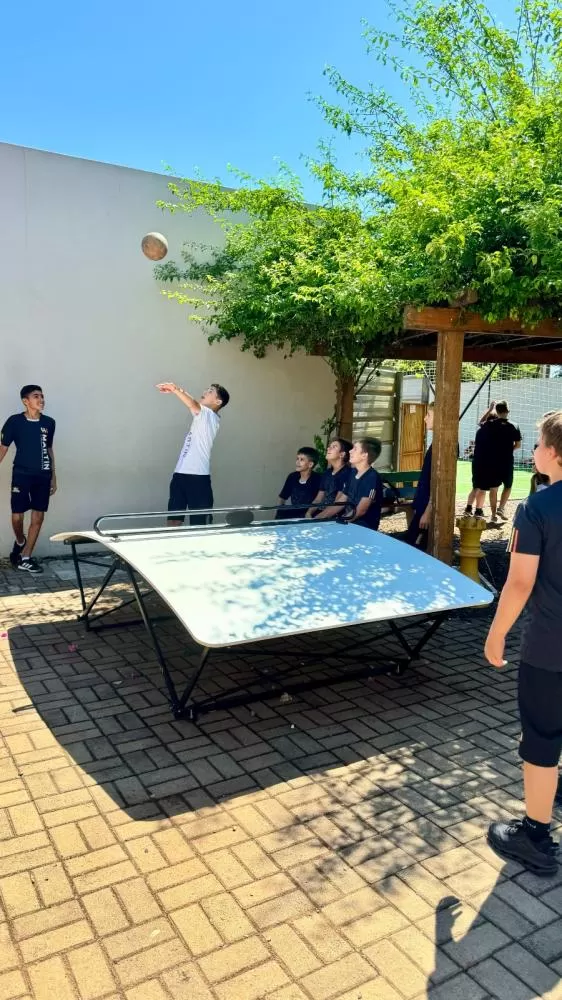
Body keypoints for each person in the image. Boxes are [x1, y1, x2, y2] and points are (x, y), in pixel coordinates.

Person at [485, 410, 562, 875]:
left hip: (550, 649)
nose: (532, 452)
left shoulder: (536, 508)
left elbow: (518, 585)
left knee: (541, 736)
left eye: (536, 444)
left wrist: (496, 634)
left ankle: (535, 835)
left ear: (553, 453)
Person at [0, 385, 57, 575]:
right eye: (36, 396)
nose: (41, 399)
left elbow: (49, 450)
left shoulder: (49, 423)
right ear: (26, 401)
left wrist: (53, 476)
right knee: (17, 517)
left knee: (38, 517)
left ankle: (26, 557)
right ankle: (20, 541)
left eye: (42, 396)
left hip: (43, 475)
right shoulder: (14, 422)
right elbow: (3, 448)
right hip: (22, 475)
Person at [157, 381, 229, 525]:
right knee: (173, 522)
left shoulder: (211, 416)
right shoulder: (200, 415)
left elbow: (193, 404)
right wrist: (177, 391)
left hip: (198, 479)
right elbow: (193, 404)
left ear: (218, 401)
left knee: (199, 525)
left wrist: (175, 389)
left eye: (210, 391)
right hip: (179, 476)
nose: (205, 391)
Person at [465, 400, 521, 521]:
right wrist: (507, 450)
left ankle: (492, 515)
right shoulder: (514, 426)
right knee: (508, 486)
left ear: (497, 411)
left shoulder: (489, 425)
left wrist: (489, 410)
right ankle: (500, 508)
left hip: (490, 462)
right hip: (506, 461)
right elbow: (518, 445)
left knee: (490, 489)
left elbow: (480, 423)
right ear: (507, 411)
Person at [318, 438, 383, 530]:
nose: (350, 451)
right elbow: (341, 501)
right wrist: (318, 518)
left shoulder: (372, 477)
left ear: (364, 455)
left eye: (355, 449)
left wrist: (341, 522)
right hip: (349, 522)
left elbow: (361, 510)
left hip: (363, 526)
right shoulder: (353, 473)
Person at [405, 404, 434, 549]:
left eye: (428, 415)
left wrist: (427, 512)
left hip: (427, 509)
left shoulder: (443, 446)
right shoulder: (435, 443)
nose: (424, 418)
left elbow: (438, 485)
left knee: (413, 546)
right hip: (422, 505)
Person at [305, 438, 352, 518]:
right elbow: (318, 499)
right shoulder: (327, 473)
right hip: (320, 514)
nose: (328, 448)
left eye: (334, 447)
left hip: (335, 518)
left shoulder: (348, 473)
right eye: (329, 446)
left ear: (342, 454)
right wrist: (308, 513)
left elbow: (337, 503)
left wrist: (317, 518)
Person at [276, 447, 322, 519]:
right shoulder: (292, 477)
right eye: (297, 459)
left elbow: (318, 500)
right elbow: (282, 497)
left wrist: (309, 514)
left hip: (310, 516)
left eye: (302, 460)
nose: (297, 462)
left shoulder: (318, 479)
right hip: (293, 515)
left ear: (310, 464)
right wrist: (279, 513)